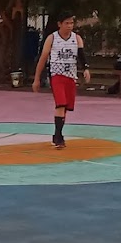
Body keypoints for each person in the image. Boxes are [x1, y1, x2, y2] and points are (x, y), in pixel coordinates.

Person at [33, 14, 91, 149]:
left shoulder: (76, 38)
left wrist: (86, 69)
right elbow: (43, 58)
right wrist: (36, 78)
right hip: (56, 75)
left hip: (70, 76)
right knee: (60, 104)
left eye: (71, 23)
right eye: (67, 23)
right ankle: (58, 137)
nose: (69, 26)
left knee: (65, 108)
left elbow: (82, 56)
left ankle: (57, 134)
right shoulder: (52, 38)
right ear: (60, 24)